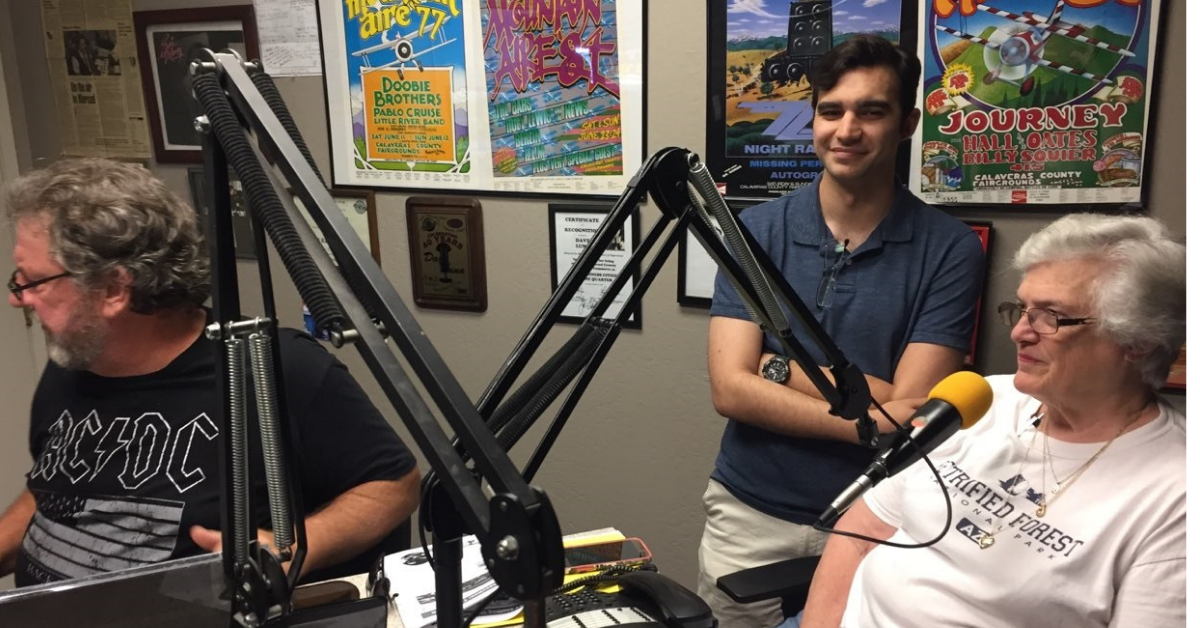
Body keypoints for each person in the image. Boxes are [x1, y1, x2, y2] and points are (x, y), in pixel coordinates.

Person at [0, 158, 421, 587]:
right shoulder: (73, 364)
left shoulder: (272, 367)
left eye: (34, 282)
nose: (20, 299)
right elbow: (52, 490)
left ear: (112, 290)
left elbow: (392, 486)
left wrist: (287, 551)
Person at [699, 34, 986, 628]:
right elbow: (729, 389)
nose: (846, 130)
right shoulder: (755, 230)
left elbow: (913, 420)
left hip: (877, 519)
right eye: (831, 111)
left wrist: (779, 370)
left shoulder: (950, 250)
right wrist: (872, 409)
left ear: (907, 122)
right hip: (749, 514)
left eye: (871, 111)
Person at [801, 213, 1186, 628]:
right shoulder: (983, 400)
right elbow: (859, 535)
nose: (1020, 331)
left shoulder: (1175, 494)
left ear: (1137, 342)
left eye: (1051, 316)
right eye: (1023, 308)